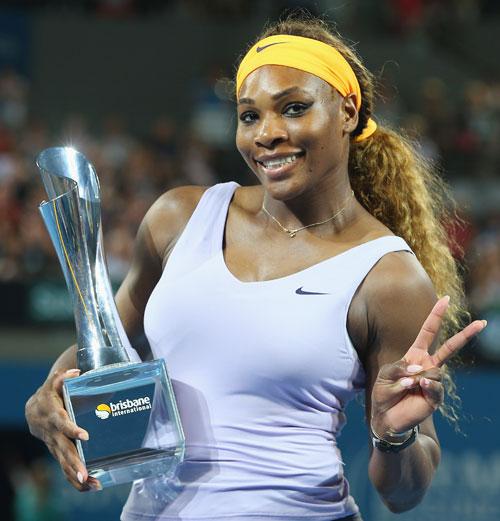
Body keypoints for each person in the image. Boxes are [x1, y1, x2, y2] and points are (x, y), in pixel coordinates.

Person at [25, 14, 486, 521]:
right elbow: (105, 346)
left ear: (347, 112)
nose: (267, 134)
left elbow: (403, 495)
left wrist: (393, 436)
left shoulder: (390, 277)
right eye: (249, 116)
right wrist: (48, 394)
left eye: (294, 108)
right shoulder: (178, 218)